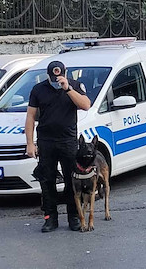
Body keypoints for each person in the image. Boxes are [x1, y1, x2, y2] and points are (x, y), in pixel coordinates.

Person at [26, 61, 91, 232]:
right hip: (46, 141)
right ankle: (50, 217)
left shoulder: (75, 86)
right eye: (53, 78)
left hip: (68, 141)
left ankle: (74, 217)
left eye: (59, 77)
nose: (56, 80)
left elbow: (85, 105)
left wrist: (67, 88)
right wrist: (30, 144)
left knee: (72, 180)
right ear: (47, 75)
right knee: (47, 181)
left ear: (65, 72)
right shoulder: (38, 89)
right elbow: (30, 117)